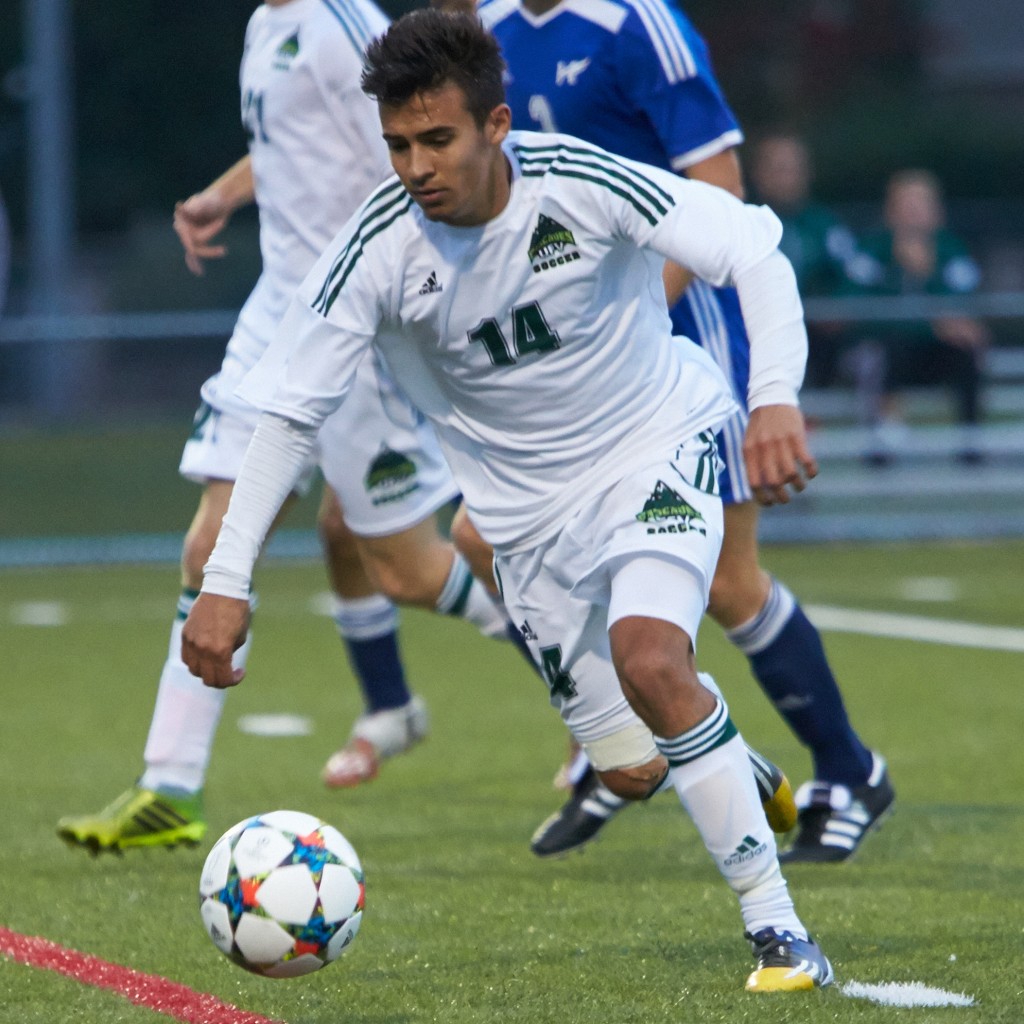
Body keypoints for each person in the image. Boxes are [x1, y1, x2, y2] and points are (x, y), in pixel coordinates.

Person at [182, 9, 836, 991]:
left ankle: (781, 935)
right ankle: (730, 762)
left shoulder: (577, 179)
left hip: (656, 445)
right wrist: (226, 581)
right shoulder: (376, 246)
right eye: (398, 144)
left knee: (651, 655)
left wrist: (774, 397)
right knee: (632, 766)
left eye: (437, 139)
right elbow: (285, 414)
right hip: (526, 526)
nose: (415, 165)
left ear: (494, 124)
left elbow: (750, 246)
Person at [55, 0, 514, 854]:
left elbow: (412, 155)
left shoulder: (346, 29)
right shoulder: (267, 25)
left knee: (409, 570)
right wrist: (221, 196)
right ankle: (170, 786)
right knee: (210, 545)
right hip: (276, 310)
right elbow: (289, 151)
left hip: (351, 321)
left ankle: (573, 668)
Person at [464, 0, 894, 866]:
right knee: (484, 535)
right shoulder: (487, 28)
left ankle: (850, 771)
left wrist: (621, 323)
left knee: (731, 581)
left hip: (683, 327)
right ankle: (623, 732)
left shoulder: (637, 26)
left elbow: (720, 187)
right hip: (581, 350)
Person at [841, 168, 989, 465]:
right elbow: (855, 308)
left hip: (934, 354)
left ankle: (971, 444)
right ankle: (881, 446)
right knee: (882, 351)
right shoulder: (872, 250)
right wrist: (907, 279)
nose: (913, 215)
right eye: (905, 206)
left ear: (937, 212)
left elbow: (965, 306)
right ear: (890, 211)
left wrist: (928, 277)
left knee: (967, 350)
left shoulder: (951, 249)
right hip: (890, 352)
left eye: (921, 205)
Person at [748, 131, 860, 388]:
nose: (786, 178)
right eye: (778, 169)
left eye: (793, 169)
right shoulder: (744, 223)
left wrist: (836, 308)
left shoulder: (825, 225)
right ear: (758, 174)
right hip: (756, 330)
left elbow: (854, 274)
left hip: (814, 331)